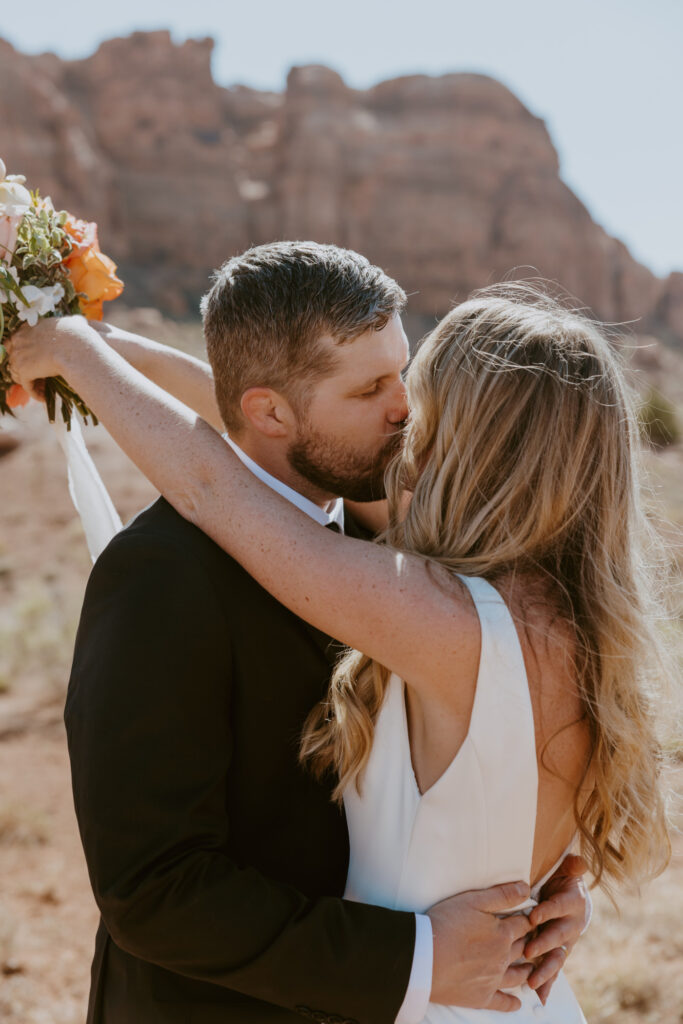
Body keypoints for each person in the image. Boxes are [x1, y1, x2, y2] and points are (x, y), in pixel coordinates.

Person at [6, 247, 602, 1023]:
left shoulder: (402, 549)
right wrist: (414, 961)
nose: (404, 410)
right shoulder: (160, 575)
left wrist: (529, 871)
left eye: (404, 375)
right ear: (268, 413)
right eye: (370, 388)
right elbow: (152, 892)